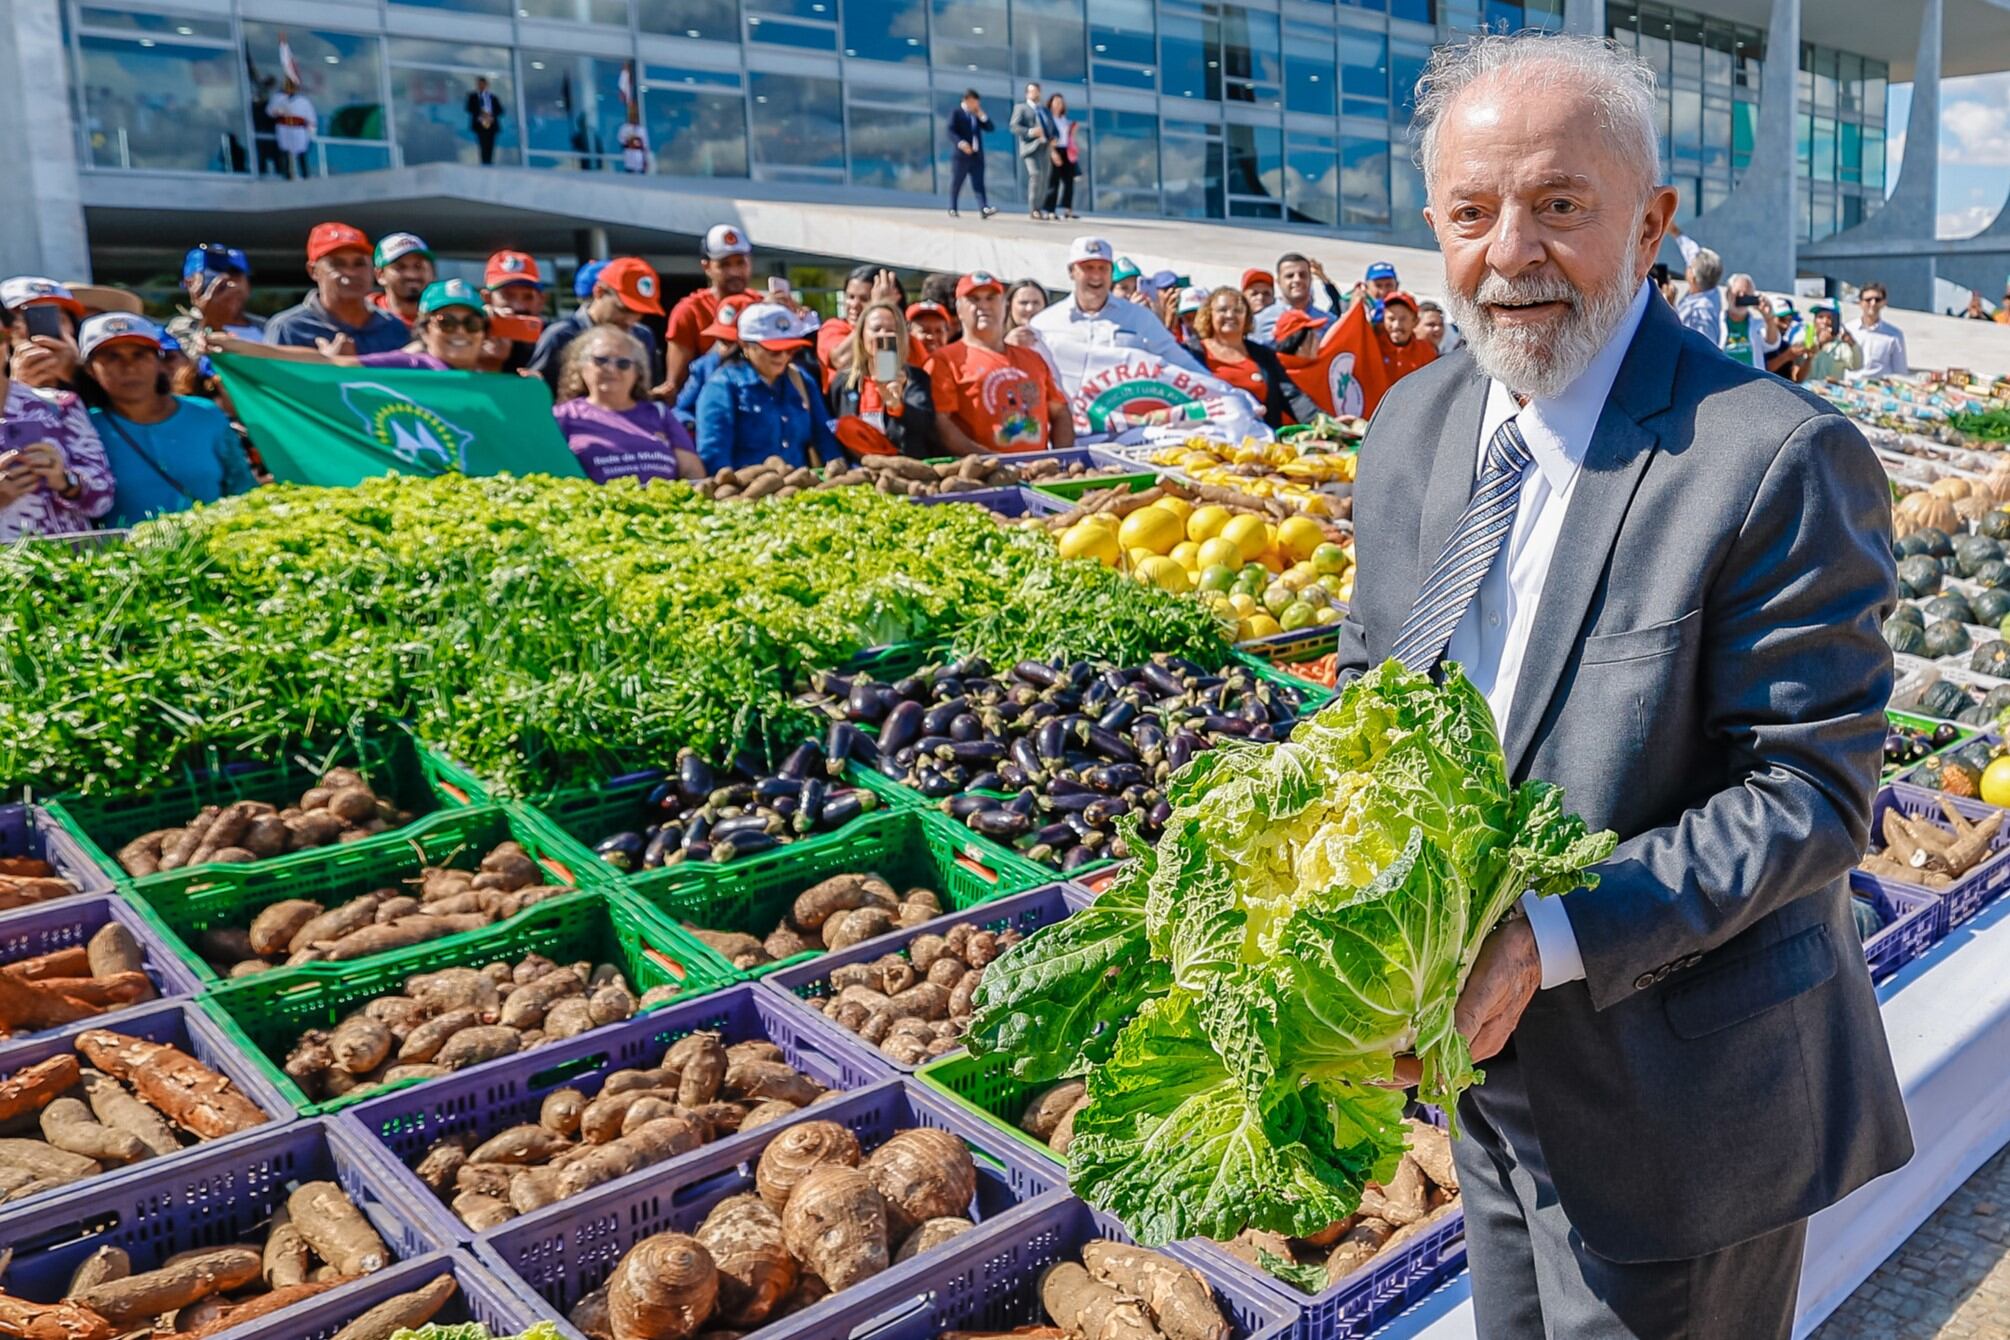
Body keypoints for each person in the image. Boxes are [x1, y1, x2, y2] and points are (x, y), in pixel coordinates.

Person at [1336, 32, 1908, 1340]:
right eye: (1472, 214)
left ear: (1649, 224)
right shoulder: (1411, 426)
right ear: (1434, 226)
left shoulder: (1770, 459)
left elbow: (1812, 793)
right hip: (1475, 1075)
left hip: (1679, 1106)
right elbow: (1373, 691)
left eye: (1559, 206)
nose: (1511, 253)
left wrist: (1544, 934)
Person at [76, 314, 254, 525]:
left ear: (160, 362)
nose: (129, 367)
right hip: (127, 556)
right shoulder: (86, 429)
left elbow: (243, 489)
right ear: (90, 370)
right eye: (112, 357)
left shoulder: (206, 415)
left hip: (214, 551)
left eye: (140, 355)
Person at [0, 306, 114, 541]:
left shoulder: (59, 405)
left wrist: (65, 481)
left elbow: (104, 497)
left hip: (68, 569)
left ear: (7, 339)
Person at [1029, 237, 1205, 387]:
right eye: (1088, 268)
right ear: (1071, 272)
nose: (1096, 276)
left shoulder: (1140, 318)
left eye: (1102, 268)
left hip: (1125, 423)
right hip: (1067, 423)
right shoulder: (1044, 324)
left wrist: (1223, 391)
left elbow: (1182, 364)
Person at [929, 272, 1073, 455]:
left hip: (1039, 471)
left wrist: (1062, 458)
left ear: (1004, 306)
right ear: (959, 309)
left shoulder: (1033, 358)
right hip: (983, 476)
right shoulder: (944, 360)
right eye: (974, 300)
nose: (984, 306)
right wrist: (992, 462)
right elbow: (941, 423)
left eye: (991, 298)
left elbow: (1060, 411)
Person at [218, 279, 493, 373]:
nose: (460, 332)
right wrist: (243, 347)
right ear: (425, 329)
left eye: (471, 323)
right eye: (447, 322)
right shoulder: (411, 366)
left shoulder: (500, 382)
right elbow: (332, 364)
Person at [694, 302, 838, 471]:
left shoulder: (802, 380)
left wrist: (836, 466)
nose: (783, 357)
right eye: (774, 350)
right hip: (746, 492)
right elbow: (714, 456)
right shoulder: (722, 387)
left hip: (800, 489)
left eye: (790, 350)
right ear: (745, 345)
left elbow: (825, 436)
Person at [552, 324, 701, 483]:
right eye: (601, 361)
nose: (611, 369)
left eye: (623, 364)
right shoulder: (562, 416)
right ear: (580, 365)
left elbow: (692, 472)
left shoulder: (659, 414)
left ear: (637, 372)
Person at [264, 223, 411, 356]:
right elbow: (270, 383)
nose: (351, 273)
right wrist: (329, 367)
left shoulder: (393, 327)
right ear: (313, 271)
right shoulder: (288, 328)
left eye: (359, 263)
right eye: (337, 264)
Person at [1183, 287, 1314, 431]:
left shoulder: (1264, 355)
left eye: (1238, 310)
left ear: (1247, 317)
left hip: (1262, 443)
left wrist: (1324, 422)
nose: (1230, 315)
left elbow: (1292, 397)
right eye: (1222, 310)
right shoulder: (1192, 353)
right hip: (1208, 441)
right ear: (1209, 315)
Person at [529, 257, 664, 394]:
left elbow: (648, 389)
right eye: (624, 310)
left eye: (640, 313)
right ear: (599, 291)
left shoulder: (642, 336)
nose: (630, 320)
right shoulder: (560, 336)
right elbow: (536, 394)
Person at [828, 301, 938, 459]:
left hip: (905, 467)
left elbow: (925, 426)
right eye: (876, 329)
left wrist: (896, 405)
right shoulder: (843, 382)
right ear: (861, 335)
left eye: (891, 330)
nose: (883, 335)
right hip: (857, 471)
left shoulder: (914, 378)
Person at [664, 226, 754, 396]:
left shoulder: (763, 305)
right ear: (706, 267)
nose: (734, 272)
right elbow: (675, 385)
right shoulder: (689, 311)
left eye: (740, 262)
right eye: (724, 265)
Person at [673, 293, 758, 430]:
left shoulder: (771, 368)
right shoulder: (704, 366)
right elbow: (680, 409)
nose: (724, 347)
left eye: (731, 341)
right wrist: (695, 424)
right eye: (721, 338)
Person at [167, 245, 264, 348]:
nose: (228, 284)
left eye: (235, 274)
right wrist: (209, 322)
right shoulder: (179, 329)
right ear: (189, 283)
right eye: (213, 276)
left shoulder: (268, 328)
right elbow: (190, 361)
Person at [1, 277, 86, 393]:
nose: (48, 327)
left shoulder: (100, 372)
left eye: (59, 318)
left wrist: (77, 376)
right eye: (34, 318)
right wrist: (18, 390)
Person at [1252, 253, 1337, 342]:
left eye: (1302, 275)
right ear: (1278, 282)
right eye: (1290, 276)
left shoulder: (1330, 323)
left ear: (1311, 279)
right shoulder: (1259, 322)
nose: (1297, 280)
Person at [1666, 221, 1724, 343]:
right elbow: (1692, 253)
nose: (1687, 265)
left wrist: (1670, 308)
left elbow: (1702, 349)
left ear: (1693, 278)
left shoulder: (1703, 313)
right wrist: (1675, 232)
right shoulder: (1710, 287)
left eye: (1690, 266)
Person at [1716, 273, 1781, 372]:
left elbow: (1772, 343)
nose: (1741, 297)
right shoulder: (1716, 322)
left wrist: (1768, 318)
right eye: (1738, 294)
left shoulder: (1758, 325)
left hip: (1752, 383)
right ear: (1728, 295)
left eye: (1746, 295)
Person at [947, 90, 997, 219]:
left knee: (979, 183)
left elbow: (990, 128)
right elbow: (950, 131)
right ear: (967, 100)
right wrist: (961, 143)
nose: (976, 104)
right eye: (975, 102)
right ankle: (953, 207)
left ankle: (984, 208)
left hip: (976, 155)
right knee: (957, 182)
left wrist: (981, 115)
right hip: (961, 155)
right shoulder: (957, 113)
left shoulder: (975, 115)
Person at [1010, 83, 1057, 221]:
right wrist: (1030, 132)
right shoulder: (1021, 108)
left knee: (1044, 179)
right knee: (1035, 175)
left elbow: (1052, 128)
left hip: (1045, 147)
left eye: (1037, 91)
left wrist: (1054, 137)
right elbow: (1014, 126)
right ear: (1027, 94)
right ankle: (1033, 209)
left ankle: (1040, 208)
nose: (1035, 94)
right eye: (1032, 91)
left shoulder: (1045, 110)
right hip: (1030, 147)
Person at [371, 233, 436, 329]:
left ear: (432, 273)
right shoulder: (364, 316)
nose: (411, 274)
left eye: (418, 266)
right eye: (400, 267)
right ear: (380, 275)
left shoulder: (448, 319)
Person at [1848, 282, 1909, 378]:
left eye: (1877, 300)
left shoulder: (1894, 335)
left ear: (1884, 303)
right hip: (1850, 387)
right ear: (1860, 303)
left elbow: (1900, 372)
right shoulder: (1848, 330)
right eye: (1868, 300)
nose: (1873, 303)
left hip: (1879, 389)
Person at [1040, 92, 1082, 221]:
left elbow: (1068, 138)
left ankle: (1067, 209)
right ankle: (1049, 209)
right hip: (1054, 149)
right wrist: (1052, 152)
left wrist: (1073, 131)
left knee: (1069, 181)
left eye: (1061, 102)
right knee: (1054, 181)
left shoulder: (1064, 120)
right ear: (1051, 104)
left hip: (1066, 151)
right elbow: (1047, 137)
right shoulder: (1048, 119)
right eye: (1056, 101)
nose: (1059, 104)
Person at [266, 78, 317, 179]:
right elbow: (269, 112)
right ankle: (287, 174)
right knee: (285, 151)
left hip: (298, 129)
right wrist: (278, 111)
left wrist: (310, 133)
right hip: (284, 128)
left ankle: (305, 174)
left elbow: (311, 118)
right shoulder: (278, 98)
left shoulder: (303, 101)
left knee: (301, 152)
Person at [1801, 303, 1862, 383]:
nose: (1825, 321)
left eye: (1829, 318)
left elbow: (1855, 366)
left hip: (1829, 393)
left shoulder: (1842, 345)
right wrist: (1820, 343)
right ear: (1814, 320)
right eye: (1820, 317)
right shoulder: (1805, 338)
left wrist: (1852, 344)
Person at [467, 77, 504, 165]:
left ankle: (490, 162)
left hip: (492, 126)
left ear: (486, 85)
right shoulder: (473, 97)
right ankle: (484, 163)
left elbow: (500, 110)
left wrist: (491, 115)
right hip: (480, 126)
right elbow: (469, 108)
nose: (481, 86)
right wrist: (481, 113)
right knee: (482, 145)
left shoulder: (493, 97)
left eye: (483, 84)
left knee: (490, 145)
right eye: (479, 84)